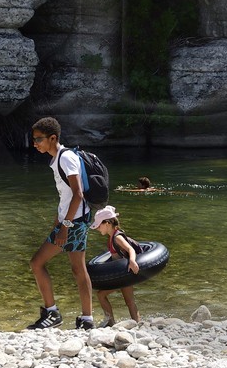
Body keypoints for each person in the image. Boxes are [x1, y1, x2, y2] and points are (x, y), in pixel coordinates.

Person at [26, 116, 95, 331]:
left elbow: (78, 194)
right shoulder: (60, 158)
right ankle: (87, 319)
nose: (35, 144)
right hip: (75, 219)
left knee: (36, 263)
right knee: (78, 268)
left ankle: (52, 313)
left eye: (38, 139)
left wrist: (64, 226)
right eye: (34, 139)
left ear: (52, 138)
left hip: (73, 222)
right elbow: (66, 196)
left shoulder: (65, 158)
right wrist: (58, 221)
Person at [89, 205, 141, 325]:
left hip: (124, 273)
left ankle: (111, 321)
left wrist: (132, 261)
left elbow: (130, 249)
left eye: (98, 225)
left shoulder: (117, 238)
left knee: (101, 295)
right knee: (130, 301)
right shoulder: (112, 236)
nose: (97, 228)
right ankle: (137, 324)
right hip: (123, 273)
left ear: (107, 223)